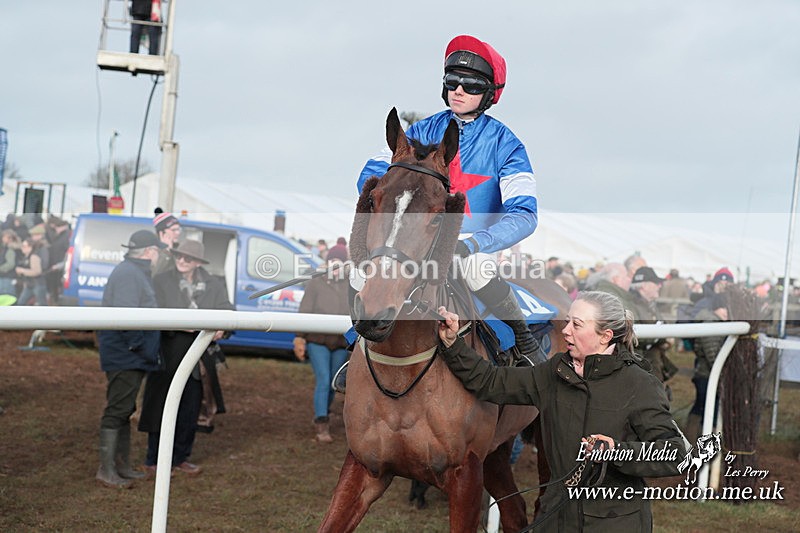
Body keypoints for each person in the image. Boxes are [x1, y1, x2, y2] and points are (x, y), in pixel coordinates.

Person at [354, 34, 541, 362]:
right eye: (453, 81)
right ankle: (355, 348)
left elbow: (525, 215)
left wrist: (476, 243)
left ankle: (526, 347)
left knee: (476, 268)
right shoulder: (419, 131)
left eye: (471, 85)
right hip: (419, 241)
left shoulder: (507, 144)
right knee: (362, 273)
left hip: (472, 246)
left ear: (489, 94)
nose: (459, 90)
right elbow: (369, 179)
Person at [436, 291, 686, 531]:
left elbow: (673, 454)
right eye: (568, 322)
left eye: (576, 325)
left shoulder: (640, 384)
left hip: (613, 523)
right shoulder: (555, 371)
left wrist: (616, 452)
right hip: (554, 518)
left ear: (605, 336)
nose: (565, 330)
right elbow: (491, 381)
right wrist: (453, 344)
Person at [138, 239, 233, 477]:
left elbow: (228, 310)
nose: (181, 260)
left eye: (187, 258)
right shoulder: (161, 280)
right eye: (179, 256)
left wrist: (223, 328)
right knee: (160, 406)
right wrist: (181, 324)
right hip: (167, 354)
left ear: (198, 262)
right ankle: (153, 459)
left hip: (199, 359)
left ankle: (181, 457)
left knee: (191, 409)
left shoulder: (213, 284)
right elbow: (153, 311)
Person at [95, 229, 165, 488]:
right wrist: (140, 347)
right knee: (118, 409)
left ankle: (120, 465)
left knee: (124, 409)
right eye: (157, 252)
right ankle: (107, 470)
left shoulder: (133, 272)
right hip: (125, 355)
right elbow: (126, 316)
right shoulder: (130, 274)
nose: (159, 256)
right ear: (149, 252)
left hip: (128, 354)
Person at [293, 245, 350, 443]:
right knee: (324, 380)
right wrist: (299, 337)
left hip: (340, 342)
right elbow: (305, 310)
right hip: (317, 340)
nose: (335, 266)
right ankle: (321, 423)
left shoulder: (351, 285)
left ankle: (322, 410)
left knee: (334, 383)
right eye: (332, 261)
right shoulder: (315, 283)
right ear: (327, 263)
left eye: (339, 262)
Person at [684, 292, 729, 445]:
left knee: (701, 408)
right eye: (723, 308)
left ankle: (690, 442)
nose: (726, 312)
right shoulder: (712, 324)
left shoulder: (712, 321)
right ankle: (701, 445)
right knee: (708, 411)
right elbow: (713, 355)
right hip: (707, 375)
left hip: (705, 374)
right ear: (716, 308)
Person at [628, 266, 678, 396]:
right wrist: (663, 338)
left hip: (652, 364)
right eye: (656, 283)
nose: (659, 286)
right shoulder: (631, 306)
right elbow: (636, 335)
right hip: (640, 367)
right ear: (643, 286)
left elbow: (662, 325)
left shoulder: (651, 305)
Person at [45, 216, 71, 305]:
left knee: (56, 286)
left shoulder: (65, 237)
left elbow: (66, 252)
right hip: (55, 265)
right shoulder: (60, 236)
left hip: (59, 266)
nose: (55, 230)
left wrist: (59, 265)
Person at [14, 238, 47, 306]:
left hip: (37, 284)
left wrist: (22, 270)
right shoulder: (26, 257)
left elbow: (37, 271)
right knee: (21, 302)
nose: (22, 248)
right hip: (29, 284)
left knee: (42, 304)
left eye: (24, 246)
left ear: (30, 247)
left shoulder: (33, 256)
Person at [152, 208, 182, 275]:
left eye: (178, 229)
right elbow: (154, 274)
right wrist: (166, 252)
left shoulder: (179, 248)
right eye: (173, 230)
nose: (177, 233)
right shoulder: (152, 250)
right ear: (162, 233)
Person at [0, 229, 20, 296]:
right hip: (5, 276)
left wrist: (1, 268)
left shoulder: (10, 249)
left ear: (10, 238)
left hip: (7, 276)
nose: (2, 238)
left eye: (4, 237)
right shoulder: (6, 248)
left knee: (6, 296)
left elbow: (10, 264)